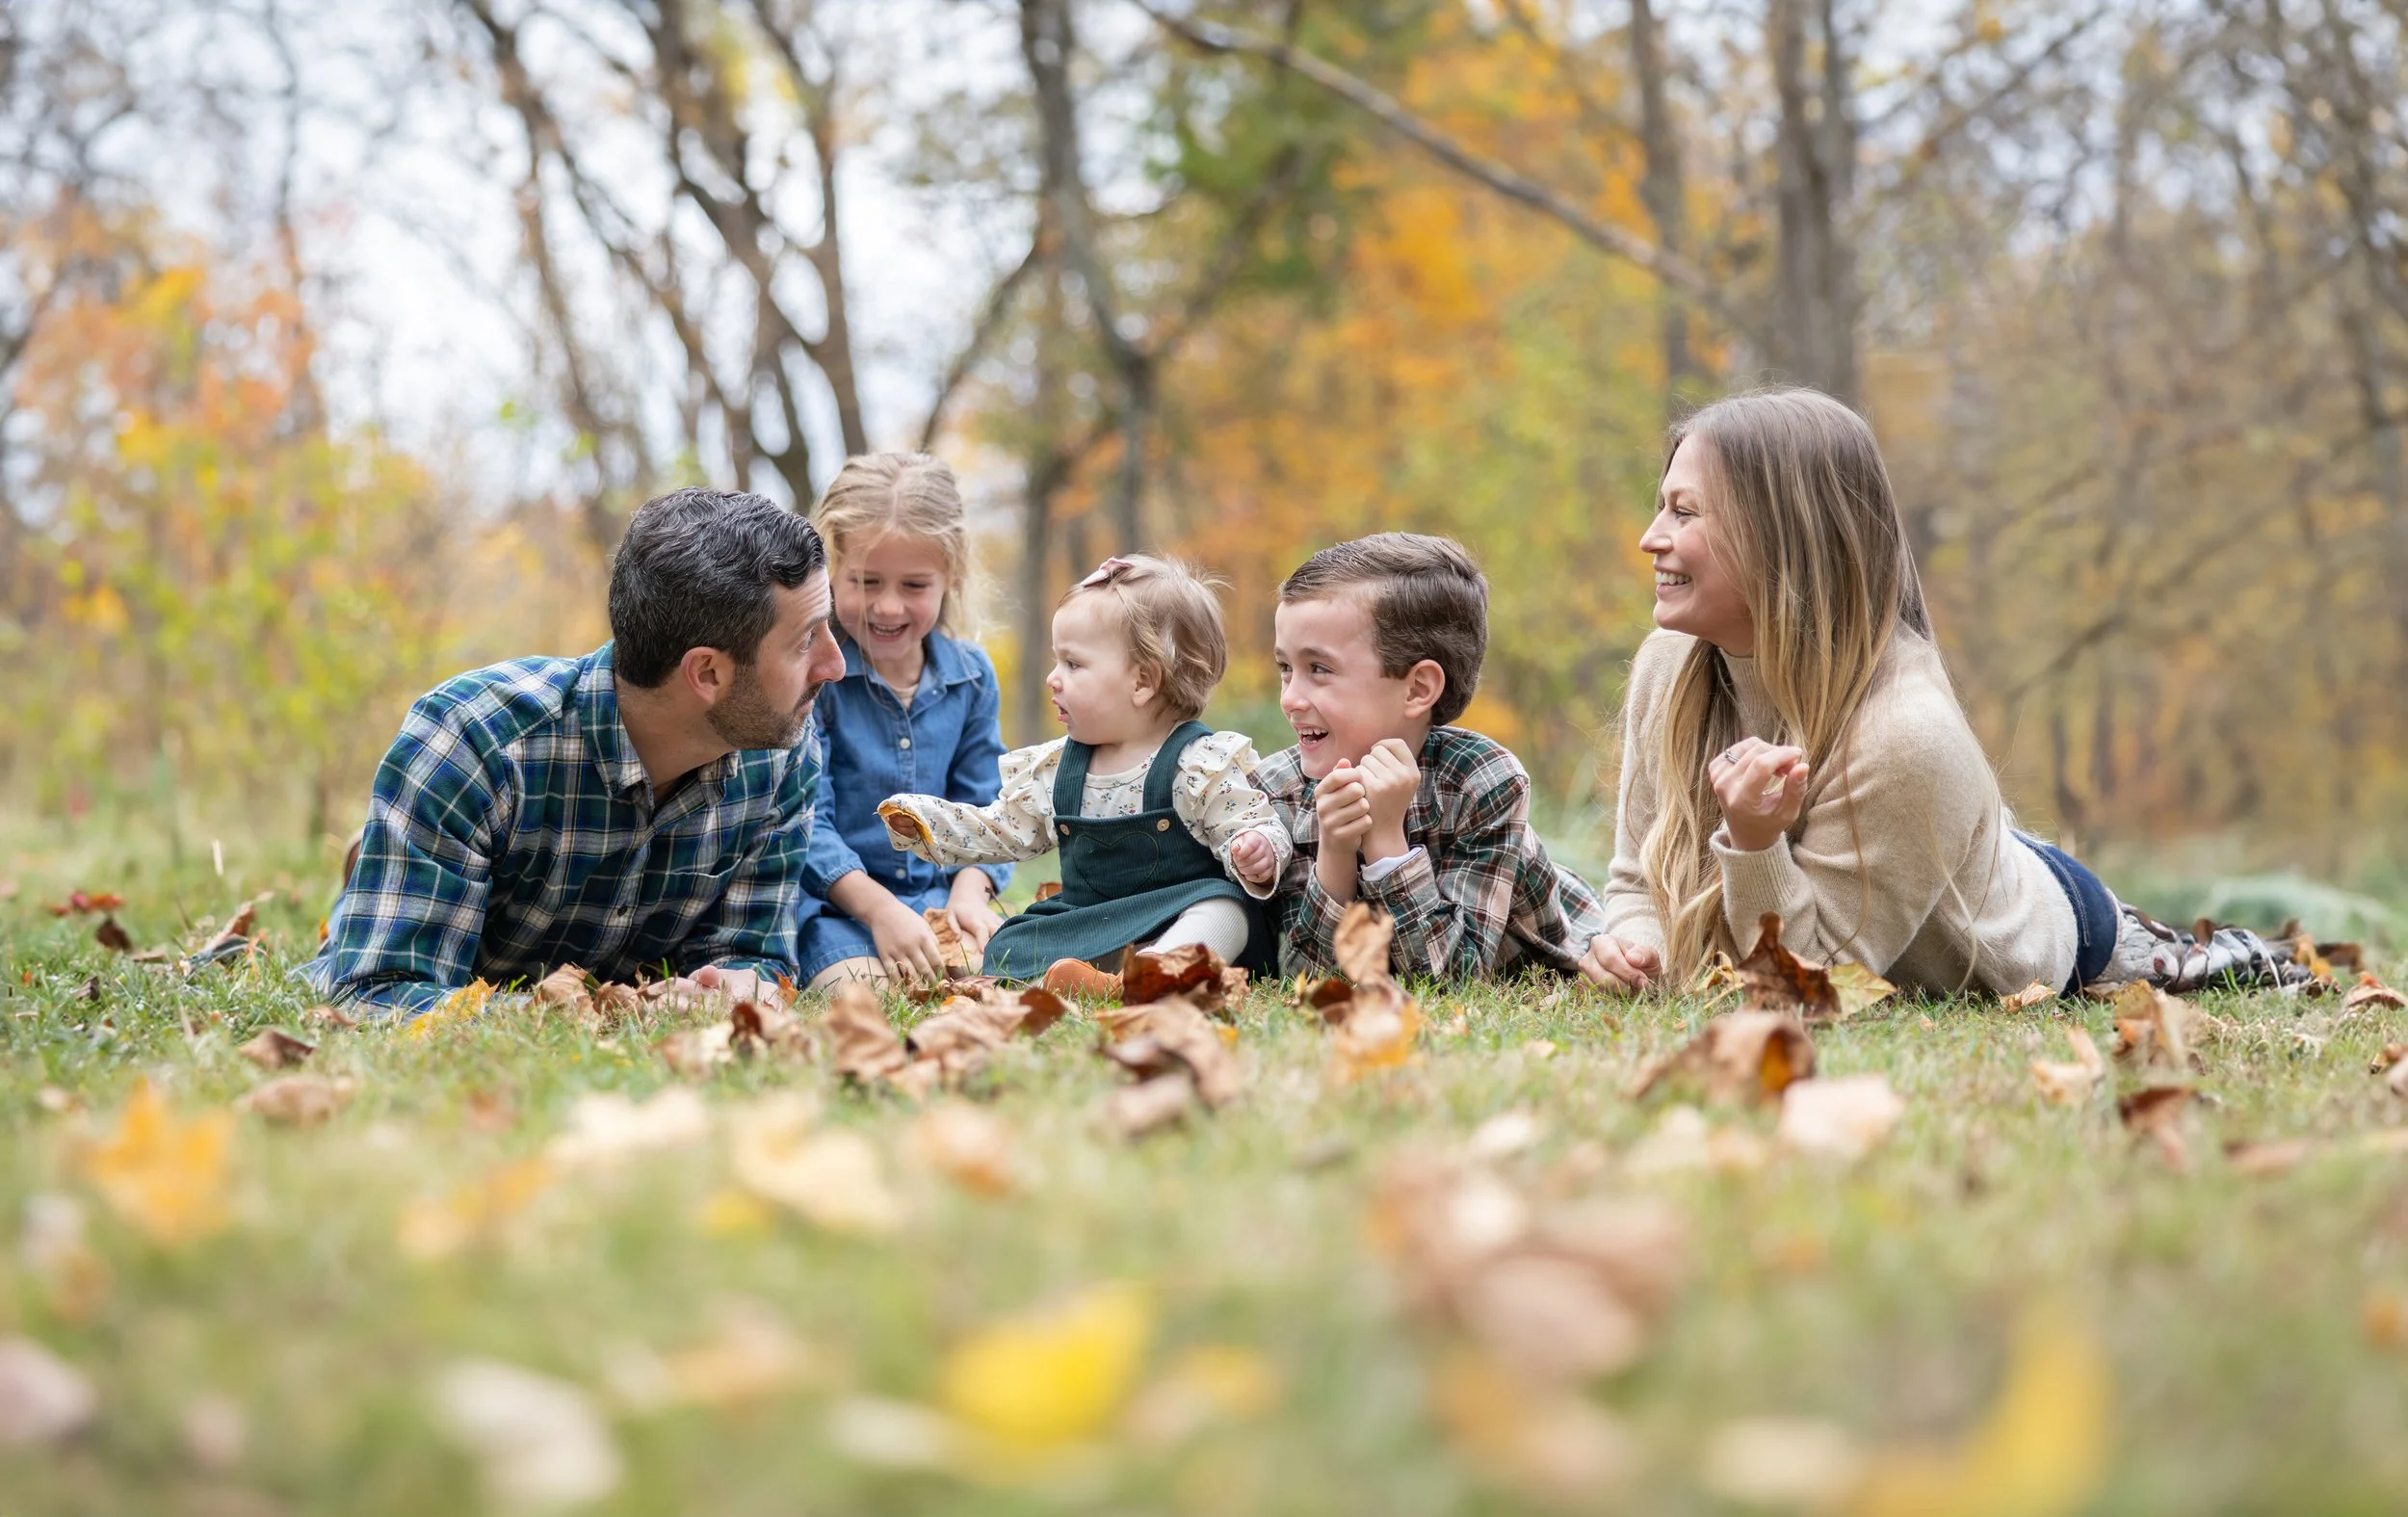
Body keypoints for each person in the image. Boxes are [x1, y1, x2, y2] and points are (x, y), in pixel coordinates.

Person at [1579, 386, 2304, 997]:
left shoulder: (1907, 736)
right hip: (1933, 853)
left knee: (2208, 970)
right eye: (1662, 506)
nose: (1650, 537)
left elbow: (1806, 984)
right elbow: (1635, 880)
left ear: (1780, 536)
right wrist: (1635, 950)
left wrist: (1756, 841)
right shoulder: (1668, 665)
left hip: (2045, 930)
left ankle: (2221, 952)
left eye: (1684, 512)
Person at [302, 488, 848, 1016]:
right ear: (706, 672)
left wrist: (742, 985)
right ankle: (384, 865)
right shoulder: (472, 740)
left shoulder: (782, 752)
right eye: (806, 641)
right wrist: (594, 1012)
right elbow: (378, 995)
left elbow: (757, 956)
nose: (835, 665)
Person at [877, 555, 1293, 992]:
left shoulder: (1198, 763)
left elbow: (1251, 822)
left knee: (1225, 907)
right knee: (1014, 939)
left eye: (1073, 664)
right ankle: (1092, 981)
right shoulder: (1058, 769)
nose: (1052, 678)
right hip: (1093, 922)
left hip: (1179, 917)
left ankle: (1156, 973)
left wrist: (1257, 848)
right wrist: (929, 823)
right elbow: (1004, 829)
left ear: (1142, 681)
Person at [1257, 533, 1611, 981]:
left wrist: (1386, 842)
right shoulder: (1277, 790)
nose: (1290, 698)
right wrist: (1335, 854)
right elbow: (1301, 979)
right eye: (1285, 668)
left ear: (1418, 689)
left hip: (1544, 949)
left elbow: (1452, 977)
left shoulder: (1483, 783)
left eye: (1319, 670)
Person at [793, 453, 1011, 990]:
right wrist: (879, 911)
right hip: (843, 907)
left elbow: (987, 806)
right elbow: (806, 820)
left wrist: (969, 890)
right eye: (866, 582)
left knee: (998, 978)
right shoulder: (814, 677)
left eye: (914, 586)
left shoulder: (971, 678)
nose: (888, 607)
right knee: (861, 989)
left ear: (949, 577)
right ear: (831, 573)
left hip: (945, 899)